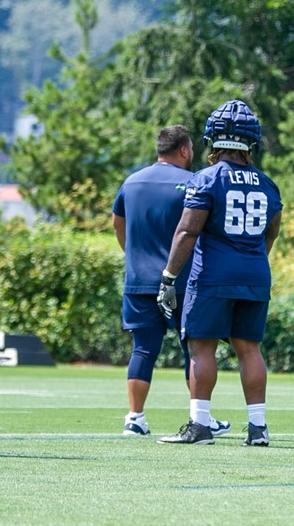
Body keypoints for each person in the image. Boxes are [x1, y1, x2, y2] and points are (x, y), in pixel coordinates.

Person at [156, 100, 282, 446]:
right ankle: (258, 429)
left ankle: (200, 425)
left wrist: (168, 276)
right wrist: (249, 261)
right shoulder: (269, 185)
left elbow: (187, 231)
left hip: (212, 275)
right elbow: (270, 233)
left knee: (202, 347)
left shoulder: (206, 179)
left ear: (214, 138)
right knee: (249, 349)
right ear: (250, 141)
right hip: (255, 273)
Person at [111, 125, 228, 438]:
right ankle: (201, 418)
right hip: (183, 281)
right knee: (195, 350)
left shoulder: (131, 182)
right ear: (185, 151)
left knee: (143, 350)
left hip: (138, 280)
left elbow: (118, 224)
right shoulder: (193, 181)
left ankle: (134, 418)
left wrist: (134, 257)